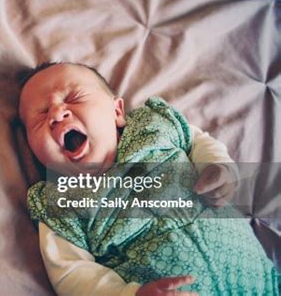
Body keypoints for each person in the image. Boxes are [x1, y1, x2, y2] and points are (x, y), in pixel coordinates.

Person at [18, 62, 279, 295]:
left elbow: (196, 139)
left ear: (117, 111)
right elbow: (70, 273)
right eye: (40, 116)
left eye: (74, 97)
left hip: (263, 282)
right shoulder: (60, 203)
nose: (56, 114)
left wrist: (218, 167)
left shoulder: (153, 127)